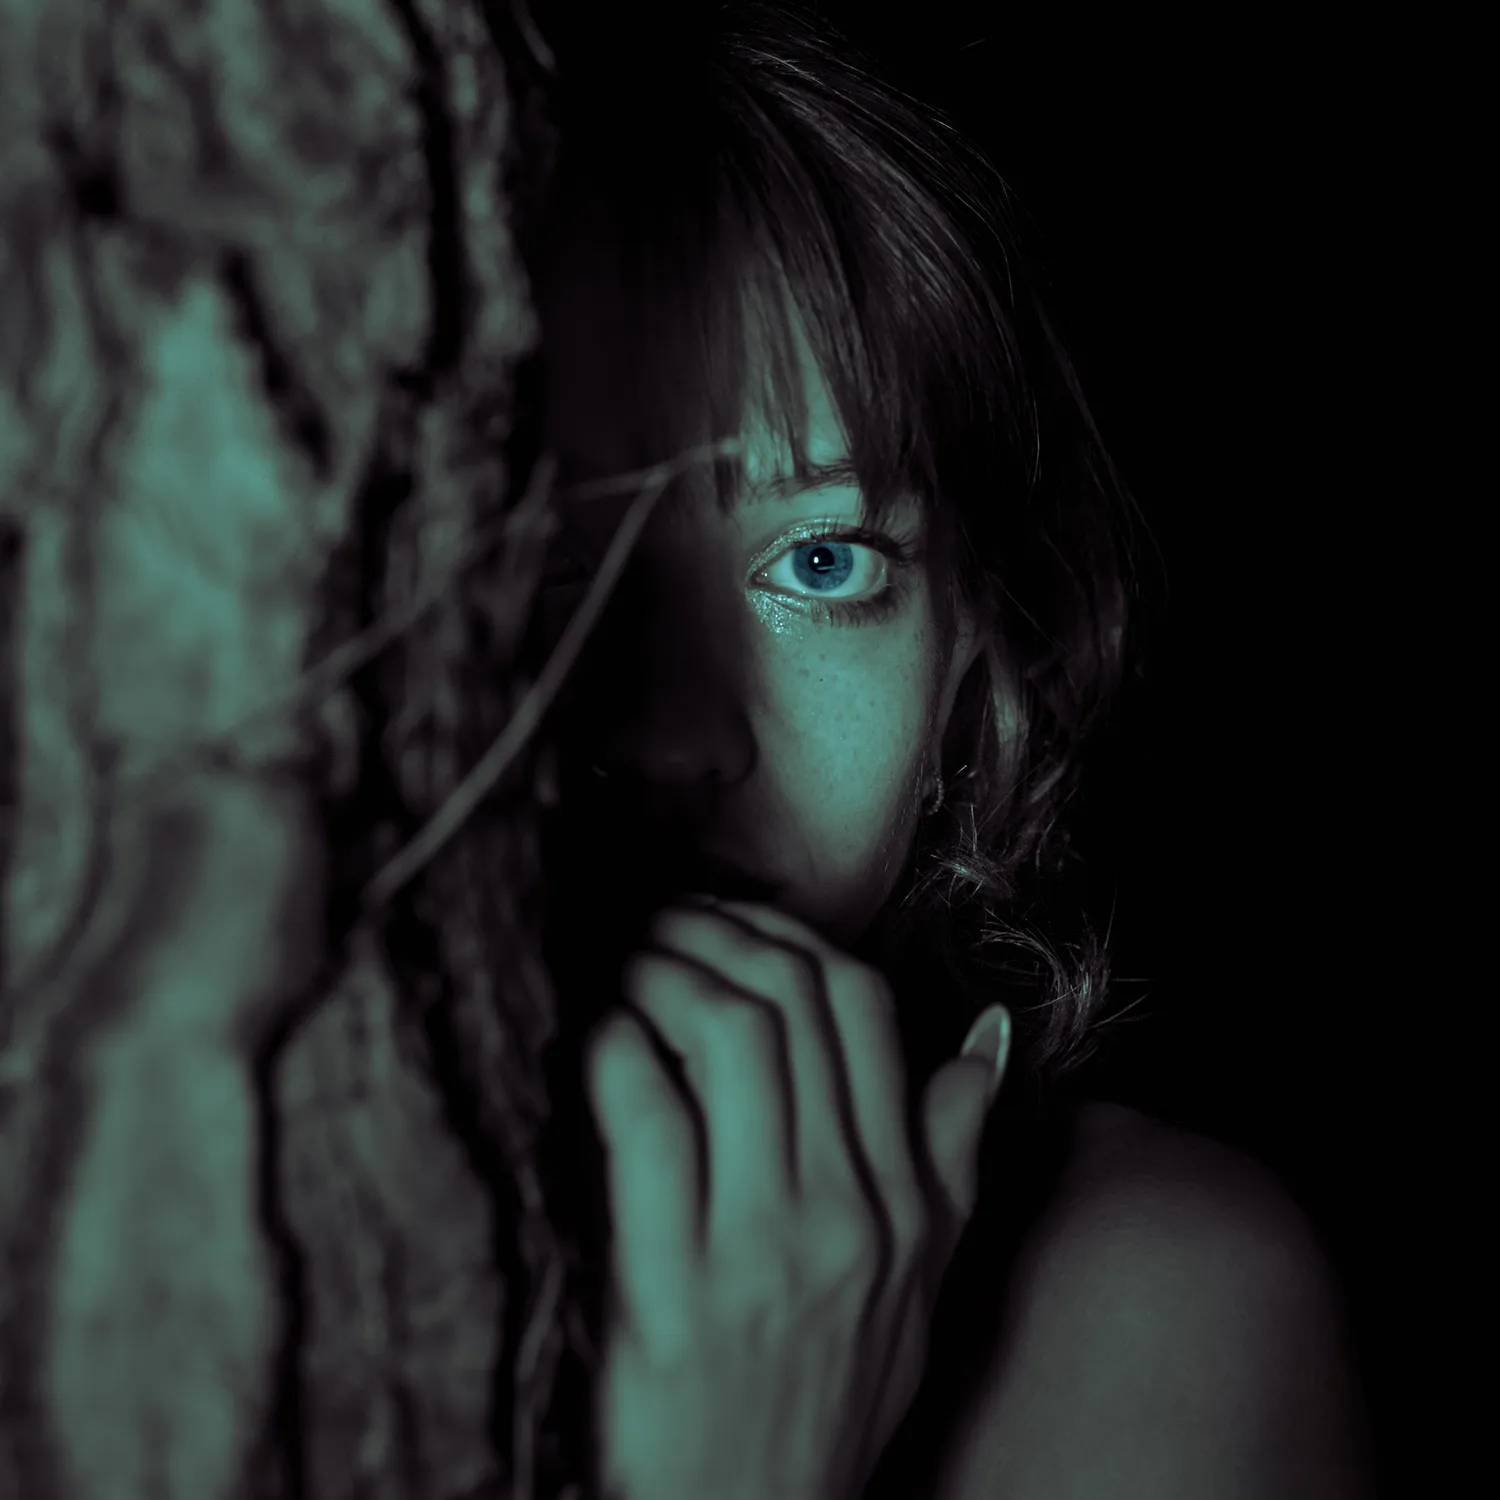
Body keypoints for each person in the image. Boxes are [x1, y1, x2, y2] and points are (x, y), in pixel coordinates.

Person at [526, 3, 1376, 1496]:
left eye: (825, 563)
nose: (676, 738)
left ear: (980, 648)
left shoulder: (1149, 1306)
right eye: (558, 569)